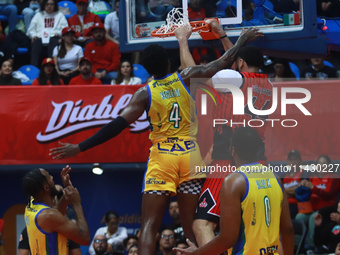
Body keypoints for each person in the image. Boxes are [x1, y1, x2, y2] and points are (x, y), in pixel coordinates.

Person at [50, 26, 262, 255]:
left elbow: (116, 126)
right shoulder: (187, 77)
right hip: (190, 156)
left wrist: (80, 147)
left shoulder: (144, 93)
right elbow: (223, 62)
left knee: (149, 226)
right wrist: (241, 39)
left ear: (147, 69)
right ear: (169, 64)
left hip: (163, 158)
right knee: (192, 225)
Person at [174, 20, 270, 247]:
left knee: (203, 225)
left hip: (229, 161)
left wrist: (182, 40)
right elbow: (234, 62)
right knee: (239, 227)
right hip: (258, 163)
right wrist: (223, 35)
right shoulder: (267, 84)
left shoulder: (235, 79)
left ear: (241, 62)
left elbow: (192, 74)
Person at [174, 127, 294, 255]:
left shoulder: (234, 181)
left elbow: (227, 239)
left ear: (233, 150)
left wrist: (198, 253)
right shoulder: (275, 178)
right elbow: (287, 229)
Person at [22, 165, 90, 254]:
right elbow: (85, 238)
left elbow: (57, 214)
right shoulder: (48, 216)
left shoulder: (31, 205)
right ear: (46, 187)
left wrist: (67, 192)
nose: (52, 177)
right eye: (49, 176)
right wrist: (76, 204)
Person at [27, 0, 68, 67]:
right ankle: (34, 67)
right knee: (36, 42)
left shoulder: (59, 15)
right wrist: (33, 35)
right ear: (44, 5)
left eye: (51, 4)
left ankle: (51, 66)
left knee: (53, 41)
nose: (49, 6)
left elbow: (65, 28)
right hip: (40, 37)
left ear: (55, 6)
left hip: (54, 37)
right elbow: (30, 30)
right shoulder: (39, 15)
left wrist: (59, 34)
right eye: (47, 4)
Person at [283, 149, 304, 218]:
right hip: (284, 204)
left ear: (300, 161)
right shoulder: (284, 176)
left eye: (296, 159)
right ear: (288, 162)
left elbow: (300, 191)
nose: (293, 162)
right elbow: (279, 191)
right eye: (291, 160)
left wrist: (285, 191)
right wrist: (292, 191)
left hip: (297, 205)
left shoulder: (304, 173)